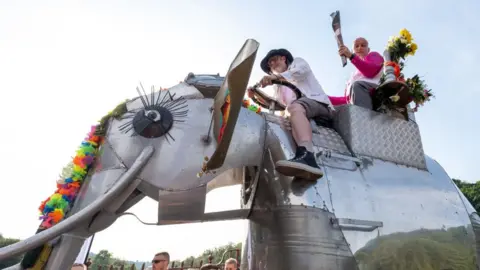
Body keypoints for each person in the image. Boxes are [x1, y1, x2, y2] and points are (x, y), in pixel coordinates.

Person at [247, 48, 334, 181]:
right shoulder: (278, 87)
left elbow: (298, 73)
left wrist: (275, 77)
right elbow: (276, 104)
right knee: (284, 115)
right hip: (297, 111)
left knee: (294, 107)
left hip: (319, 106)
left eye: (274, 60)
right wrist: (255, 98)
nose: (272, 64)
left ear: (283, 58)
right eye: (269, 64)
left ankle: (307, 154)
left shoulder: (297, 64)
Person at [330, 37, 384, 109]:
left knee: (357, 85)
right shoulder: (352, 79)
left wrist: (351, 56)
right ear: (353, 50)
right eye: (356, 46)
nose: (359, 48)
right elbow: (347, 100)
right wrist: (323, 98)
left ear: (368, 50)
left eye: (363, 45)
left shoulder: (373, 55)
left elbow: (370, 70)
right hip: (357, 107)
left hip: (376, 99)